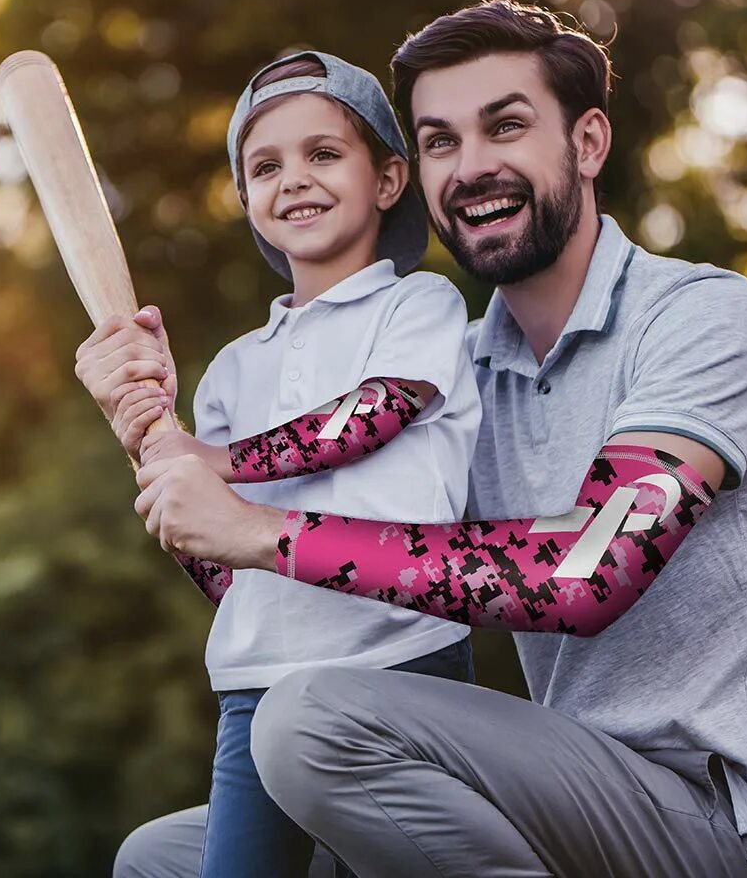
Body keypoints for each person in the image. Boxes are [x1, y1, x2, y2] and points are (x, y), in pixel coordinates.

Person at [85, 0, 747, 878]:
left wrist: (261, 529)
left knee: (306, 721)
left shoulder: (700, 318)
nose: (471, 168)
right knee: (161, 860)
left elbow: (588, 573)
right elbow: (312, 591)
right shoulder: (466, 371)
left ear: (588, 144)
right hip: (541, 795)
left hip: (717, 834)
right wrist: (157, 443)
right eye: (441, 140)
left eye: (506, 127)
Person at [78, 50, 484, 878]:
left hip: (403, 658)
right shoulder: (233, 369)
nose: (294, 179)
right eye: (266, 166)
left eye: (323, 154)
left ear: (390, 179)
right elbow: (228, 569)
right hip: (256, 683)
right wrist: (150, 443)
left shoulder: (420, 305)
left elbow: (375, 413)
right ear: (247, 201)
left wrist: (212, 457)